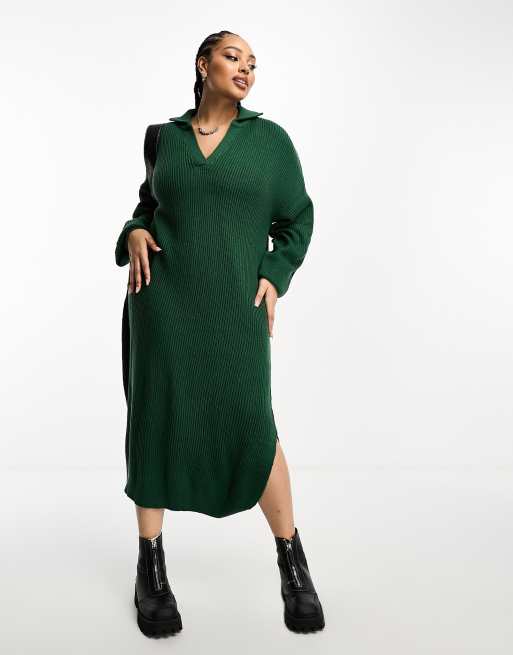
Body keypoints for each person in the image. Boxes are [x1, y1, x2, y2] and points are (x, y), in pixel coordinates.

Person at [115, 30, 325, 636]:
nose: (246, 69)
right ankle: (150, 570)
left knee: (253, 424)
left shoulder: (269, 142)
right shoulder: (164, 139)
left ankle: (292, 561)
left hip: (234, 311)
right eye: (233, 57)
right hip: (161, 307)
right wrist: (134, 230)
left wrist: (275, 275)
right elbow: (149, 206)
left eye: (253, 63)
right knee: (154, 420)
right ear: (203, 65)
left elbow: (297, 219)